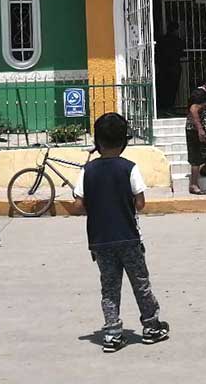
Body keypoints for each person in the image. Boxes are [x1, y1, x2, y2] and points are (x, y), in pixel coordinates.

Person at [72, 113, 170, 353]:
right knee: (140, 283)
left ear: (98, 141)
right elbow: (140, 204)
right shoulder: (130, 168)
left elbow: (77, 206)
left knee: (109, 287)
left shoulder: (88, 170)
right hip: (128, 238)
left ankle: (112, 333)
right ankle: (151, 326)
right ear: (124, 141)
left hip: (100, 241)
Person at [154, 22, 185, 116]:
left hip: (163, 68)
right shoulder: (177, 41)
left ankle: (164, 108)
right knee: (172, 89)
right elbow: (181, 52)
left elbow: (158, 54)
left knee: (163, 88)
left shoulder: (162, 40)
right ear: (175, 30)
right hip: (173, 68)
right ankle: (169, 108)